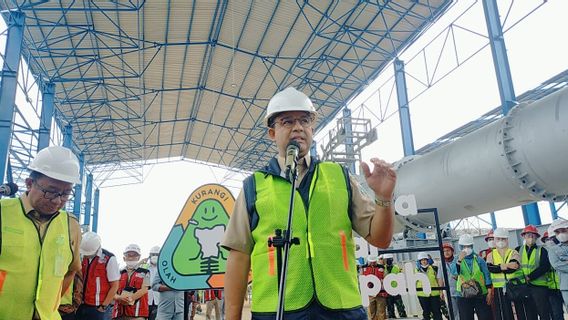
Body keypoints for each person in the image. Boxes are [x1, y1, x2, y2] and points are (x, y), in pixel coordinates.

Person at [222, 87, 395, 319]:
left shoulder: (339, 177)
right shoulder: (254, 186)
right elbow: (239, 256)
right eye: (287, 121)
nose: (298, 127)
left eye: (305, 120)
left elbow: (380, 238)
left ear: (312, 128)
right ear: (272, 133)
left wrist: (383, 198)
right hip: (277, 312)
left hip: (341, 310)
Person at [0, 145, 82, 320]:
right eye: (50, 192)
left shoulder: (71, 225)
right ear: (29, 184)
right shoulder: (3, 213)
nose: (57, 200)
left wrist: (50, 303)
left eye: (66, 194)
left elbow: (71, 271)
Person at [77, 232, 120, 319]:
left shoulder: (109, 259)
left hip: (99, 308)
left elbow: (115, 285)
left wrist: (103, 306)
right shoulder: (82, 256)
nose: (86, 255)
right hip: (82, 305)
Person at [486, 227, 525, 320]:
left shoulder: (513, 252)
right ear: (495, 240)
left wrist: (498, 266)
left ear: (507, 239)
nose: (500, 241)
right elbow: (491, 268)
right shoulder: (490, 255)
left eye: (503, 238)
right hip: (499, 289)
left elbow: (513, 268)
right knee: (504, 314)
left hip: (515, 286)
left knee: (520, 312)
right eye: (498, 239)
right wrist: (506, 265)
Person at [515, 225, 551, 319]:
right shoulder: (518, 250)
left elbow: (545, 267)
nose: (531, 237)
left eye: (533, 235)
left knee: (543, 312)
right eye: (528, 235)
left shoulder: (542, 250)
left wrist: (530, 277)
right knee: (529, 313)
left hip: (539, 287)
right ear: (524, 236)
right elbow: (515, 266)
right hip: (524, 287)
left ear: (537, 237)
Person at [454, 234, 493, 320]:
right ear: (460, 247)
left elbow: (487, 275)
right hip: (463, 295)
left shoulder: (479, 259)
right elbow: (454, 273)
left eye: (468, 246)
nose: (466, 248)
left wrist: (489, 292)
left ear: (472, 246)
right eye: (464, 246)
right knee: (466, 317)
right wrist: (459, 261)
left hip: (481, 294)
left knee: (486, 317)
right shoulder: (456, 259)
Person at [113, 244, 151, 319]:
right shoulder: (118, 273)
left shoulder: (146, 272)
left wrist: (129, 299)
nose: (131, 258)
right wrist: (119, 298)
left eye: (134, 255)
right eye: (128, 255)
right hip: (119, 314)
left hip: (138, 315)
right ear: (124, 258)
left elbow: (144, 289)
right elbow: (112, 291)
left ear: (139, 257)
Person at [542, 231, 564, 320]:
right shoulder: (543, 254)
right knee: (556, 314)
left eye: (551, 238)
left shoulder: (562, 251)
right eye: (547, 239)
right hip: (551, 289)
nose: (550, 241)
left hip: (564, 287)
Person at [416, 252, 444, 320]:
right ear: (419, 261)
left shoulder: (434, 269)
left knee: (437, 311)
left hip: (434, 294)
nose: (424, 261)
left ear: (428, 260)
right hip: (422, 294)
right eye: (422, 260)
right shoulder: (416, 270)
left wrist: (441, 291)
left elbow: (439, 280)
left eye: (425, 259)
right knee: (426, 312)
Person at [547, 218, 568, 308]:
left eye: (563, 230)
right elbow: (557, 265)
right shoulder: (553, 250)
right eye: (557, 232)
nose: (561, 234)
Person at [362, 255, 388, 320]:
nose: (373, 263)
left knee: (381, 311)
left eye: (374, 262)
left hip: (381, 293)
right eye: (371, 262)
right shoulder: (364, 268)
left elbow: (386, 278)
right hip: (370, 293)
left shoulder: (382, 268)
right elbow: (361, 280)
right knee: (371, 312)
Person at [383, 253, 407, 318]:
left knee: (400, 307)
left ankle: (403, 317)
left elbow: (401, 278)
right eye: (386, 259)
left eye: (389, 259)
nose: (388, 261)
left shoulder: (396, 267)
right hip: (387, 291)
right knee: (390, 308)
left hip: (397, 290)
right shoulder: (383, 268)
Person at [442, 242, 460, 320]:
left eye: (448, 250)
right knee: (453, 312)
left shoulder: (458, 260)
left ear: (452, 251)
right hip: (449, 292)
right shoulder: (441, 264)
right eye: (444, 251)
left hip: (461, 291)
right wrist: (441, 292)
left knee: (463, 311)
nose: (446, 252)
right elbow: (440, 278)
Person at [147, 245, 161, 320]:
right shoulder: (145, 267)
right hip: (146, 300)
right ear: (149, 256)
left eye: (157, 255)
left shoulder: (162, 269)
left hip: (159, 300)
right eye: (153, 254)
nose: (155, 256)